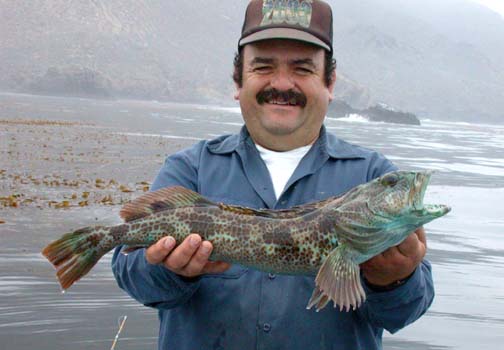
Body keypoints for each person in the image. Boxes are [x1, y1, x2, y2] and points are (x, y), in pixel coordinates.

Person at [112, 1, 434, 349]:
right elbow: (131, 274)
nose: (282, 83)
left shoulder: (372, 176)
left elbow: (406, 312)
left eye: (302, 69)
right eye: (263, 66)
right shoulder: (189, 169)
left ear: (330, 82)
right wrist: (168, 270)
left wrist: (395, 280)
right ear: (238, 80)